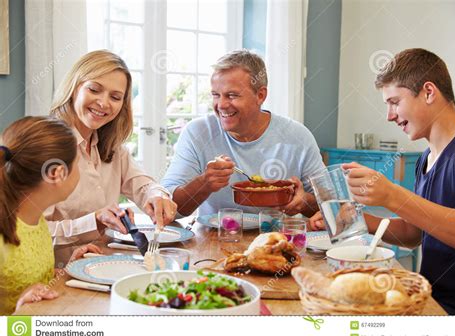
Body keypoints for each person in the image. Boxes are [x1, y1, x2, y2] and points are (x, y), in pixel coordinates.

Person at [309, 48, 455, 315]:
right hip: (431, 300)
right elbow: (414, 234)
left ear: (429, 92)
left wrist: (392, 196)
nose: (389, 115)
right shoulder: (426, 158)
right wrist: (355, 220)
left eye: (395, 102)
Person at [48, 50, 177, 265]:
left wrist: (157, 196)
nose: (103, 103)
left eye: (115, 97)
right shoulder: (47, 148)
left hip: (105, 266)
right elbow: (27, 234)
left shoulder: (112, 147)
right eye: (94, 89)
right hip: (58, 277)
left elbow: (143, 185)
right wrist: (94, 221)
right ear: (74, 88)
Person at [161, 50, 325, 217]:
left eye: (232, 95)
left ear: (260, 95)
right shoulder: (197, 132)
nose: (221, 105)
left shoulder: (298, 136)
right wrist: (204, 183)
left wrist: (304, 202)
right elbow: (167, 207)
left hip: (278, 239)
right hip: (215, 239)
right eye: (216, 95)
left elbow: (331, 204)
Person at [0, 116, 100, 314]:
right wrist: (18, 310)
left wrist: (67, 270)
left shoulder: (36, 220)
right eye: (77, 164)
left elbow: (30, 282)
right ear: (56, 173)